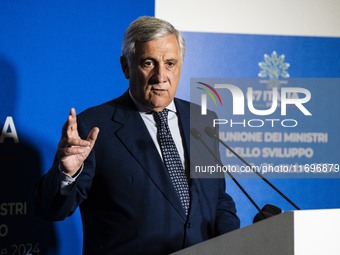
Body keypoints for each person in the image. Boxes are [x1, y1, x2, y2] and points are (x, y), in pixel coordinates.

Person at [35, 16, 240, 255]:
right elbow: (51, 210)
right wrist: (67, 174)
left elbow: (216, 199)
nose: (161, 76)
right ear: (126, 66)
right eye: (149, 63)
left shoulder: (202, 119)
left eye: (170, 63)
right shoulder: (93, 127)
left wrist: (237, 241)